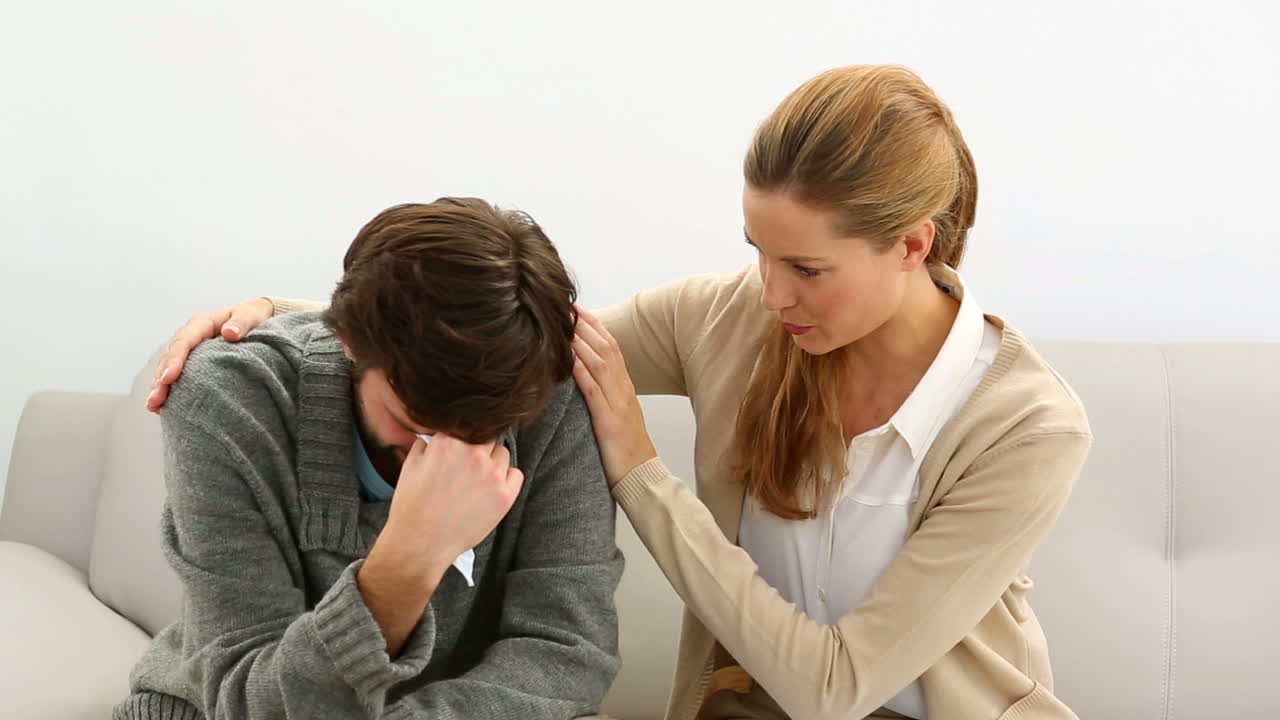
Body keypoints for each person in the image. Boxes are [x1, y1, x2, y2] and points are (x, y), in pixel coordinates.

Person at [148, 65, 1091, 720]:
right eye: (757, 254)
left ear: (914, 245)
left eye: (806, 267)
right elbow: (502, 331)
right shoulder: (731, 320)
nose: (770, 295)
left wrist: (639, 470)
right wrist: (291, 313)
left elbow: (833, 688)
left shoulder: (1027, 427)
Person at [121, 199, 624, 720]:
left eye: (483, 434)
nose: (445, 457)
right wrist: (411, 556)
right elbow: (248, 700)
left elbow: (569, 652)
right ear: (347, 343)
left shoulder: (548, 389)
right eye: (413, 425)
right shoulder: (225, 400)